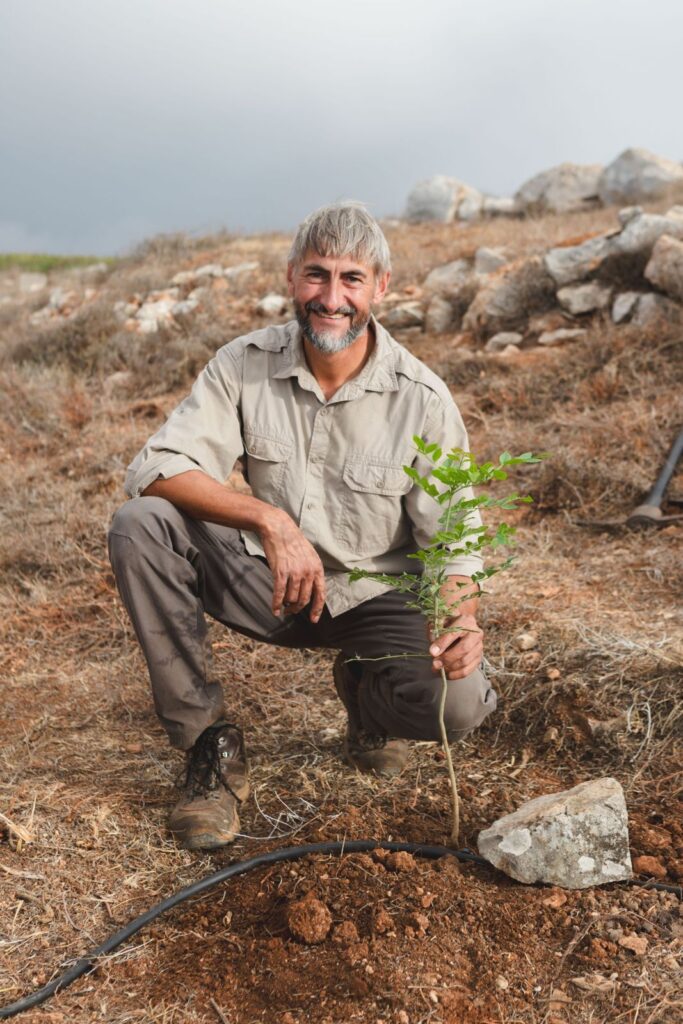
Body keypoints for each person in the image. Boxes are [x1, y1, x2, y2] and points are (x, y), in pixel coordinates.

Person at [108, 202, 497, 850]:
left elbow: (454, 539)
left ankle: (366, 696)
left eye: (351, 279)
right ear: (292, 278)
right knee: (140, 524)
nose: (331, 297)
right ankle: (211, 751)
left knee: (457, 703)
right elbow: (155, 465)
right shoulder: (243, 363)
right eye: (317, 275)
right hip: (270, 583)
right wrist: (269, 520)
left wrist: (459, 618)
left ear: (381, 288)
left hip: (375, 597)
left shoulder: (420, 398)